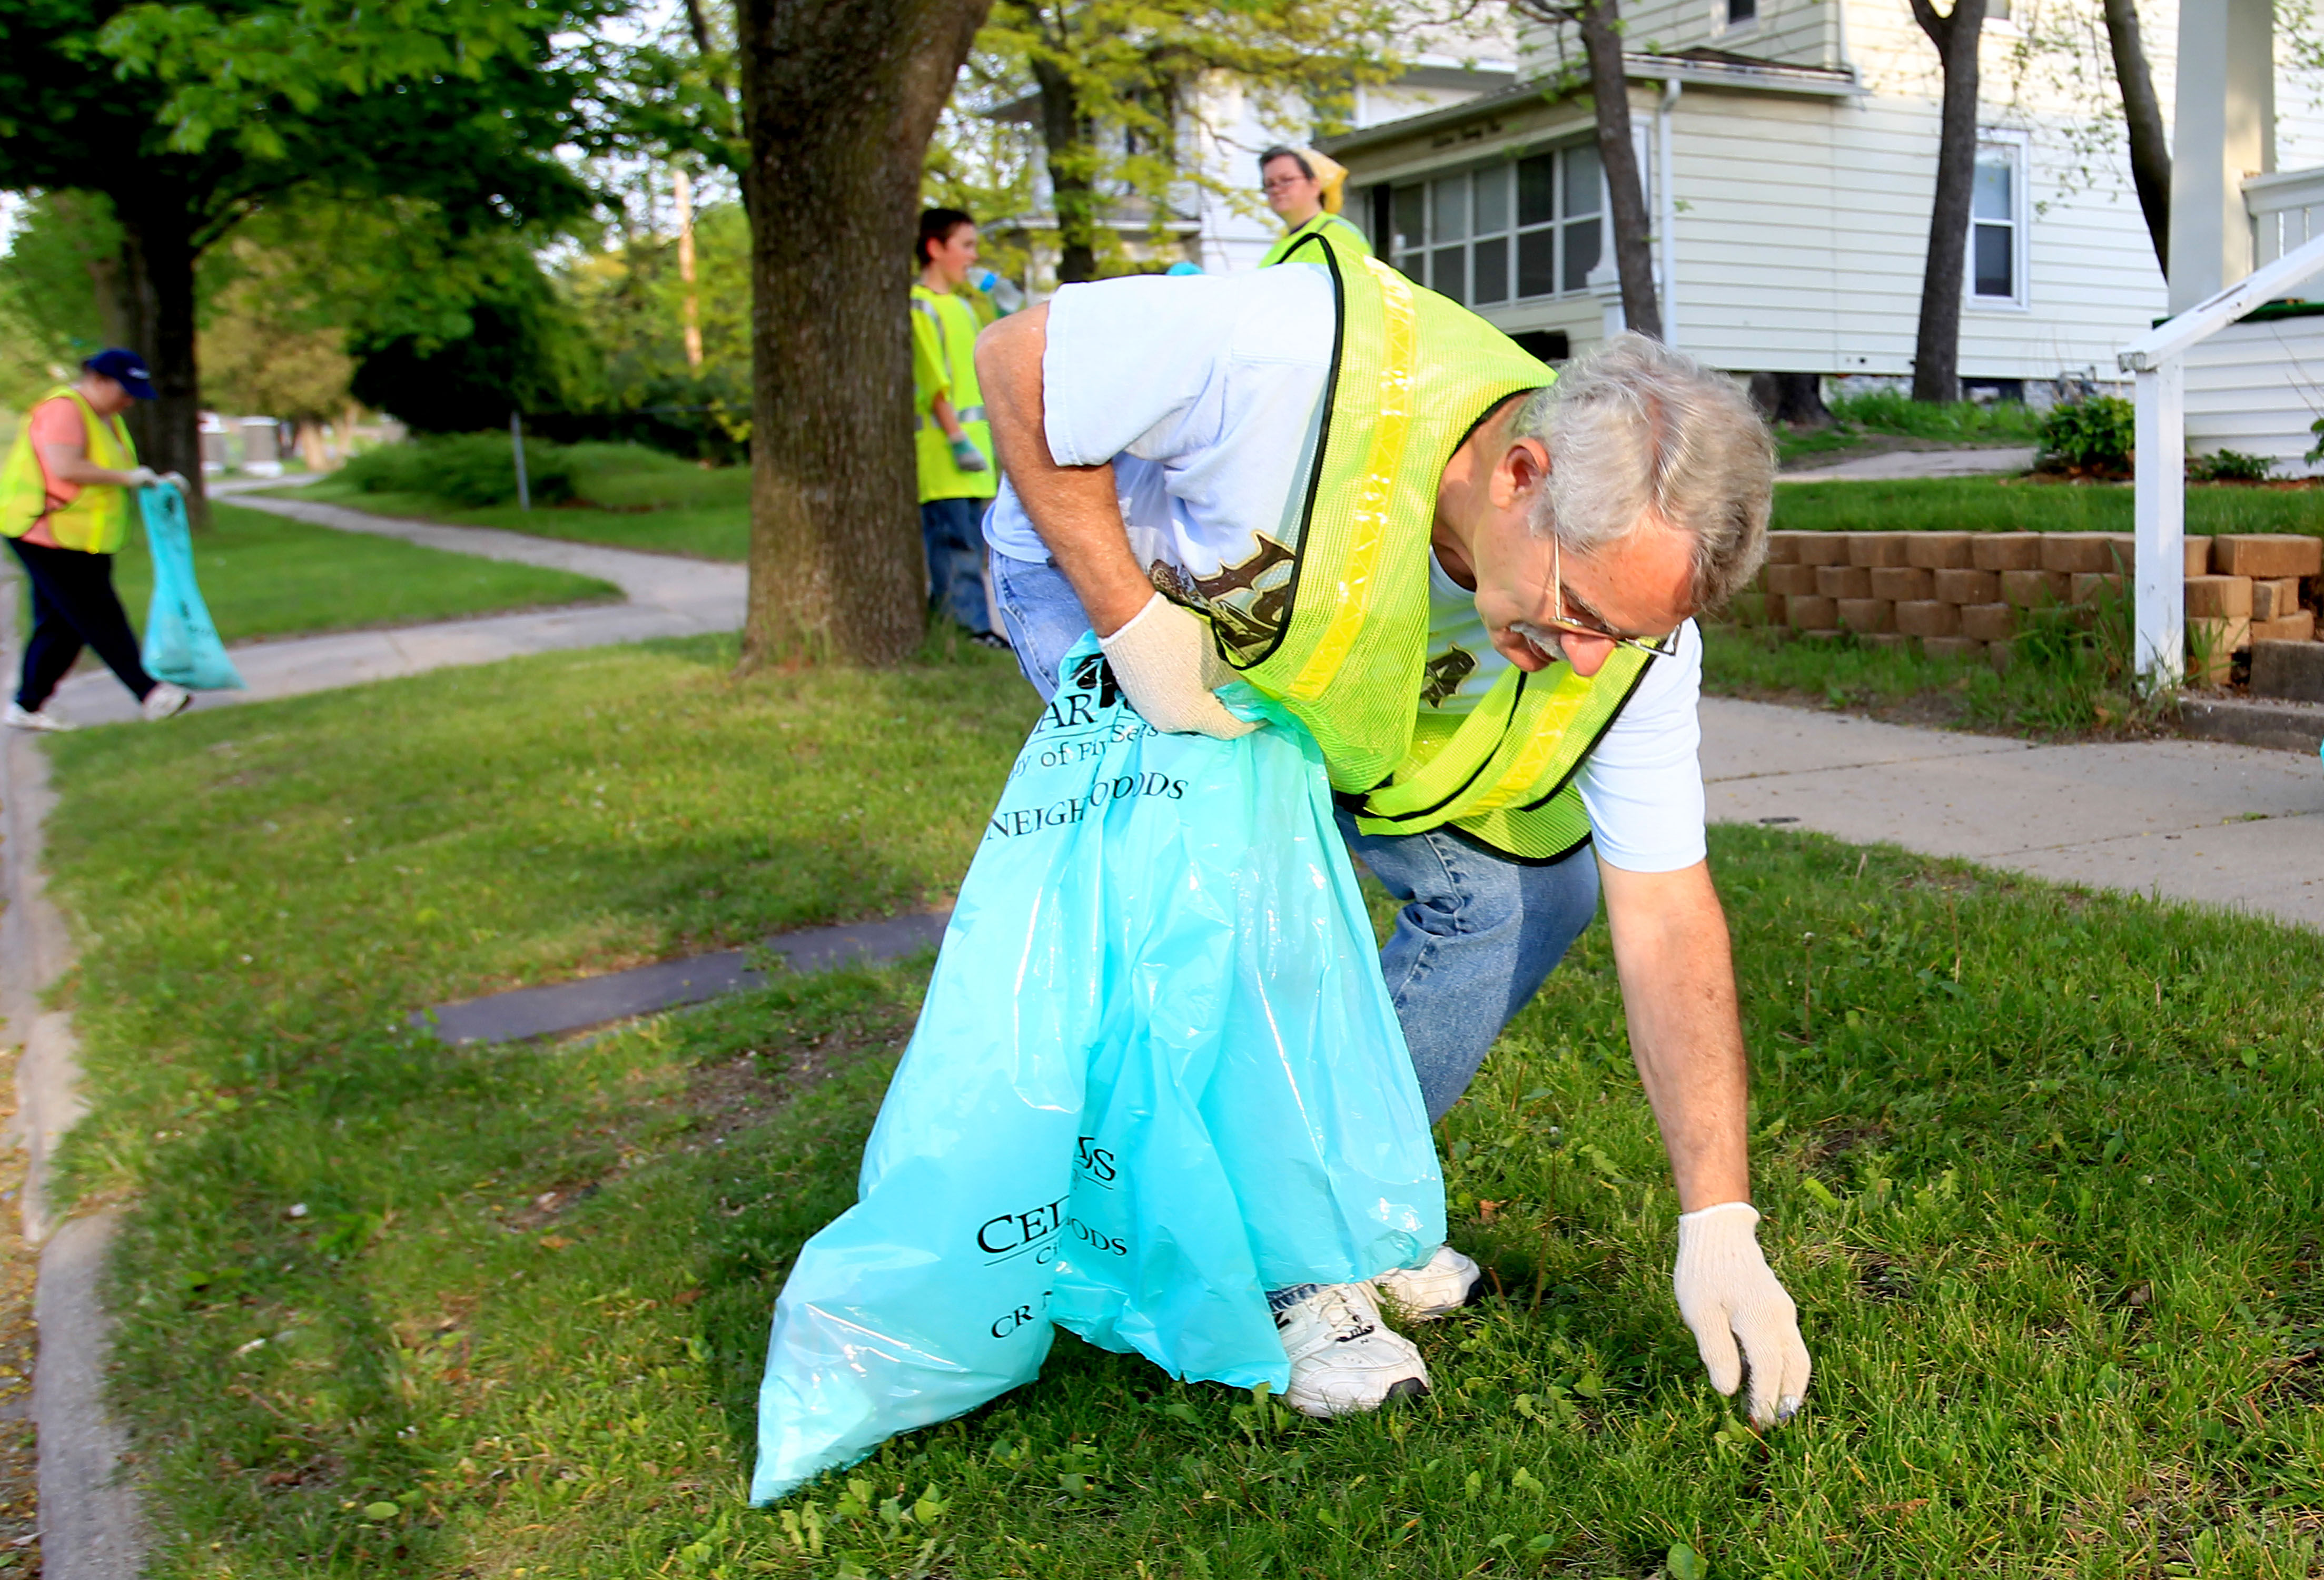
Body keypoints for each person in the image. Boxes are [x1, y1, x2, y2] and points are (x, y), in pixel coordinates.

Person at [975, 237, 1812, 1426]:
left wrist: (1718, 1218)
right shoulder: (1284, 358)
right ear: (1518, 476)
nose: (1589, 662)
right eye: (1580, 612)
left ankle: (1341, 1202)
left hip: (1294, 655)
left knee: (1534, 887)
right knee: (1248, 888)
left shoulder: (1629, 641)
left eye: (1621, 636)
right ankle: (1279, 1259)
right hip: (1106, 580)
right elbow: (1020, 363)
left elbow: (1668, 914)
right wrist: (1128, 622)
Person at [0, 349, 191, 730]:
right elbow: (66, 467)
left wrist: (156, 483)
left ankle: (27, 705)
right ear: (98, 380)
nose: (130, 401)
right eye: (125, 391)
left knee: (62, 623)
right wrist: (128, 479)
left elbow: (113, 468)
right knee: (97, 611)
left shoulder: (104, 418)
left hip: (78, 534)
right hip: (44, 529)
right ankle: (149, 693)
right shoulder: (64, 410)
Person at [912, 209, 1005, 647]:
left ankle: (959, 627)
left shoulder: (964, 307)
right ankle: (969, 632)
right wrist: (955, 438)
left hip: (975, 451)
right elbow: (932, 381)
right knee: (956, 546)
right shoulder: (920, 306)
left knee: (970, 543)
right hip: (942, 451)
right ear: (935, 248)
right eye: (966, 246)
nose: (973, 256)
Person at [1257, 145, 1373, 271]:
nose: (1276, 190)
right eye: (1270, 184)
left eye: (1286, 180)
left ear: (1315, 185)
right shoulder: (1279, 247)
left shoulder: (1338, 234)